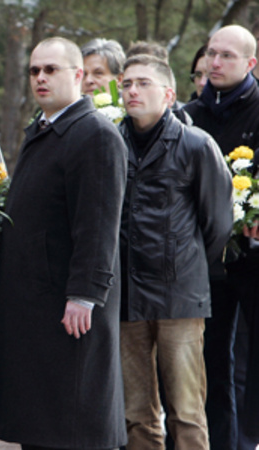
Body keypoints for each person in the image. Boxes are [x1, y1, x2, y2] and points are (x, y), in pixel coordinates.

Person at [0, 37, 127, 449]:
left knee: (72, 426)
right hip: (37, 306)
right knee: (41, 428)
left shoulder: (95, 134)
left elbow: (99, 223)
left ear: (79, 76)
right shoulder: (47, 130)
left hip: (68, 309)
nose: (40, 78)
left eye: (51, 70)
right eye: (34, 71)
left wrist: (84, 294)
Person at [117, 54, 232, 449]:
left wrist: (185, 263)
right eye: (127, 83)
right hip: (126, 296)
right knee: (136, 413)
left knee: (186, 411)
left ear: (168, 94)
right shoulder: (109, 143)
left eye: (143, 83)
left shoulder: (197, 145)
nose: (133, 90)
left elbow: (217, 223)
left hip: (180, 296)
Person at [183, 24, 259, 450]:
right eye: (212, 53)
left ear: (250, 64)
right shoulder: (191, 114)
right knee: (211, 359)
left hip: (254, 254)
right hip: (209, 259)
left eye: (226, 56)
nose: (214, 62)